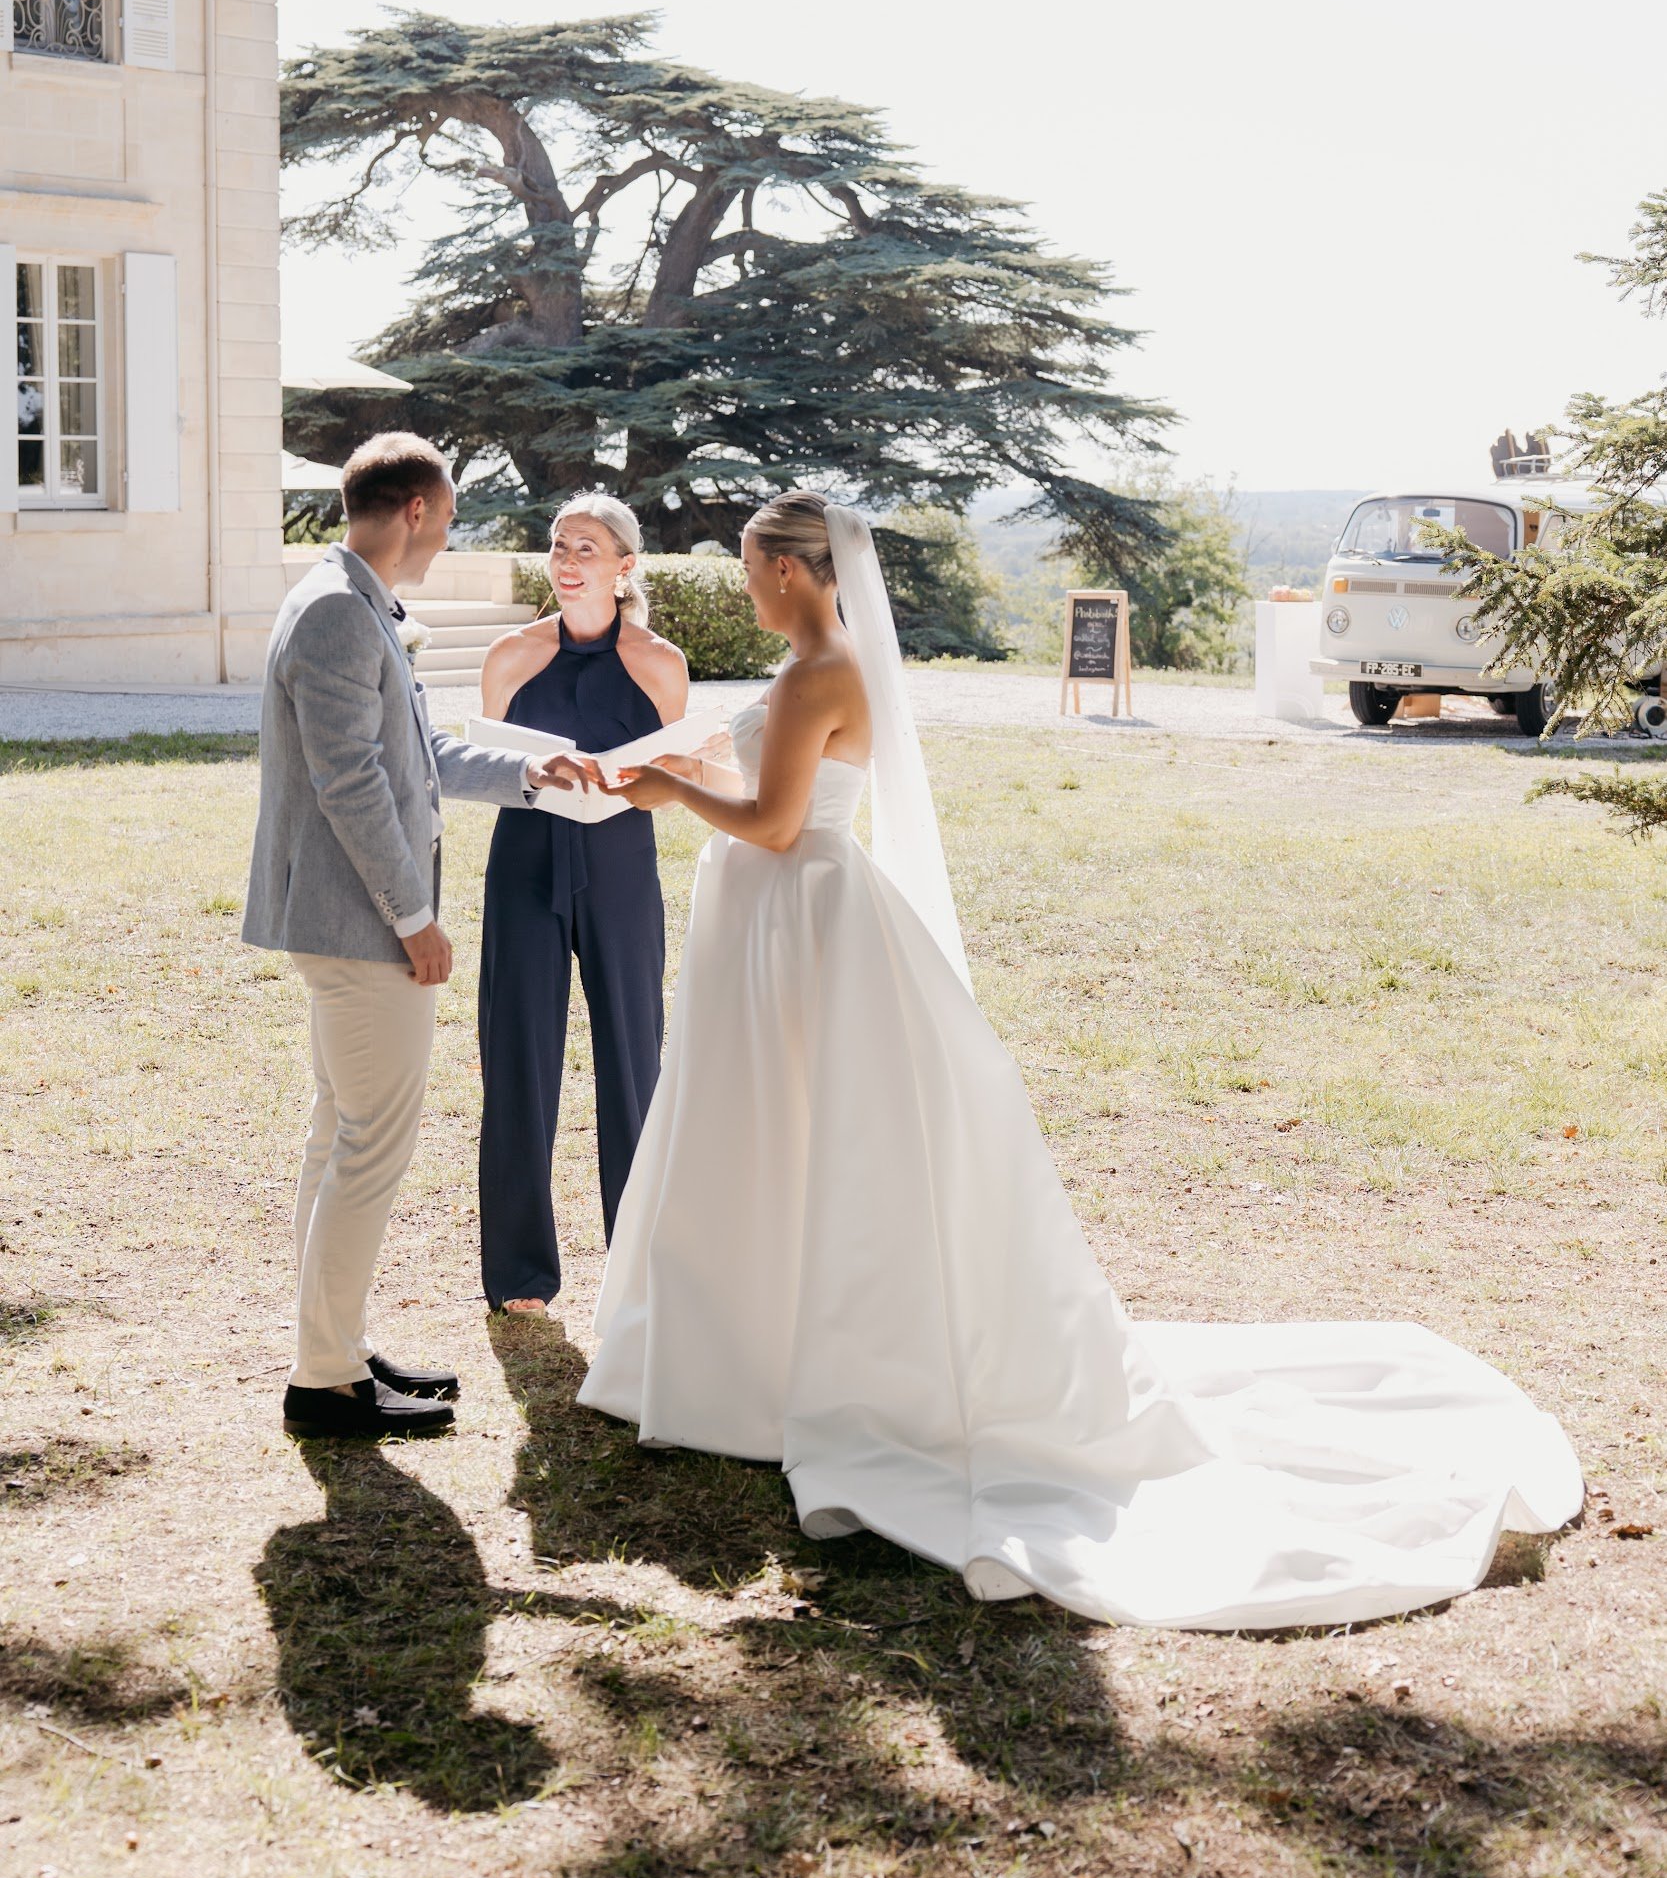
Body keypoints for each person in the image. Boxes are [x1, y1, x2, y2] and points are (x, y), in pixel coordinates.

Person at [578, 491, 1583, 1631]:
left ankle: (773, 1360)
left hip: (796, 914)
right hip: (780, 917)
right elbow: (773, 773)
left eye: (755, 566)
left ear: (797, 574)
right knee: (773, 1129)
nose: (746, 582)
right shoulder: (817, 658)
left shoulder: (820, 667)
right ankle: (753, 1344)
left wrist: (661, 787)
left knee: (796, 1130)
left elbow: (770, 821)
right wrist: (681, 756)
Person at [243, 433, 581, 1440]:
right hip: (359, 929)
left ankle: (331, 1352)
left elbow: (414, 755)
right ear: (419, 511)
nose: (447, 537)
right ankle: (327, 1381)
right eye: (449, 517)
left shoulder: (346, 600)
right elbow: (354, 784)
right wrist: (416, 918)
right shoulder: (341, 612)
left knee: (335, 1137)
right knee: (367, 1149)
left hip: (343, 923)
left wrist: (526, 775)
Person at [475, 494, 689, 1319]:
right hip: (523, 860)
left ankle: (636, 1262)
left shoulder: (659, 663)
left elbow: (683, 782)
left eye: (588, 549)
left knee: (634, 1061)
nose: (568, 561)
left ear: (625, 566)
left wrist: (645, 779)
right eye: (560, 546)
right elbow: (480, 761)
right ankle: (520, 1276)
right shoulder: (511, 655)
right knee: (517, 1059)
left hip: (622, 864)